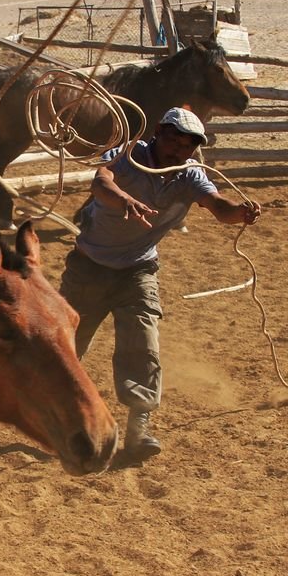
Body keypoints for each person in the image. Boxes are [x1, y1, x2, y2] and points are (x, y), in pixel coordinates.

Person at [59, 106, 261, 462]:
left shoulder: (190, 173)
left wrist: (240, 212)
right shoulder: (129, 154)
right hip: (88, 268)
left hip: (138, 270)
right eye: (172, 139)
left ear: (194, 149)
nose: (177, 149)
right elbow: (101, 181)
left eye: (186, 145)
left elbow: (217, 205)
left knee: (144, 341)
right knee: (63, 347)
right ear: (158, 132)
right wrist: (124, 200)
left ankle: (140, 425)